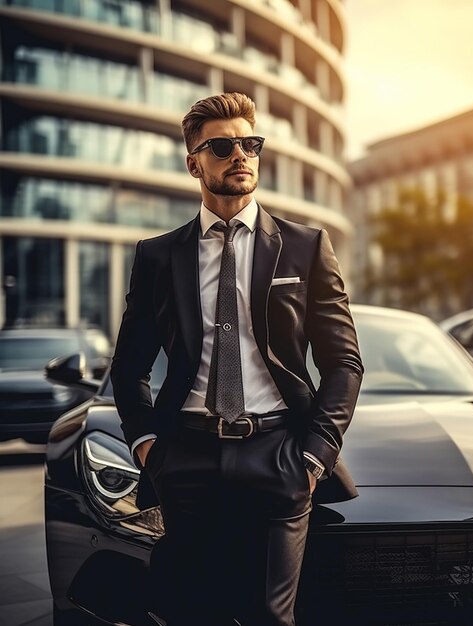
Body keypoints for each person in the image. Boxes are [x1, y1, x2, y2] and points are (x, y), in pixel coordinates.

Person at [111, 92, 363, 626]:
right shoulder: (157, 257)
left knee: (272, 617)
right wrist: (149, 448)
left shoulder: (306, 247)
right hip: (186, 457)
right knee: (192, 613)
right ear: (194, 162)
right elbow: (129, 366)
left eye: (250, 144)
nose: (240, 155)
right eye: (222, 146)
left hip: (279, 452)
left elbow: (344, 363)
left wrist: (315, 455)